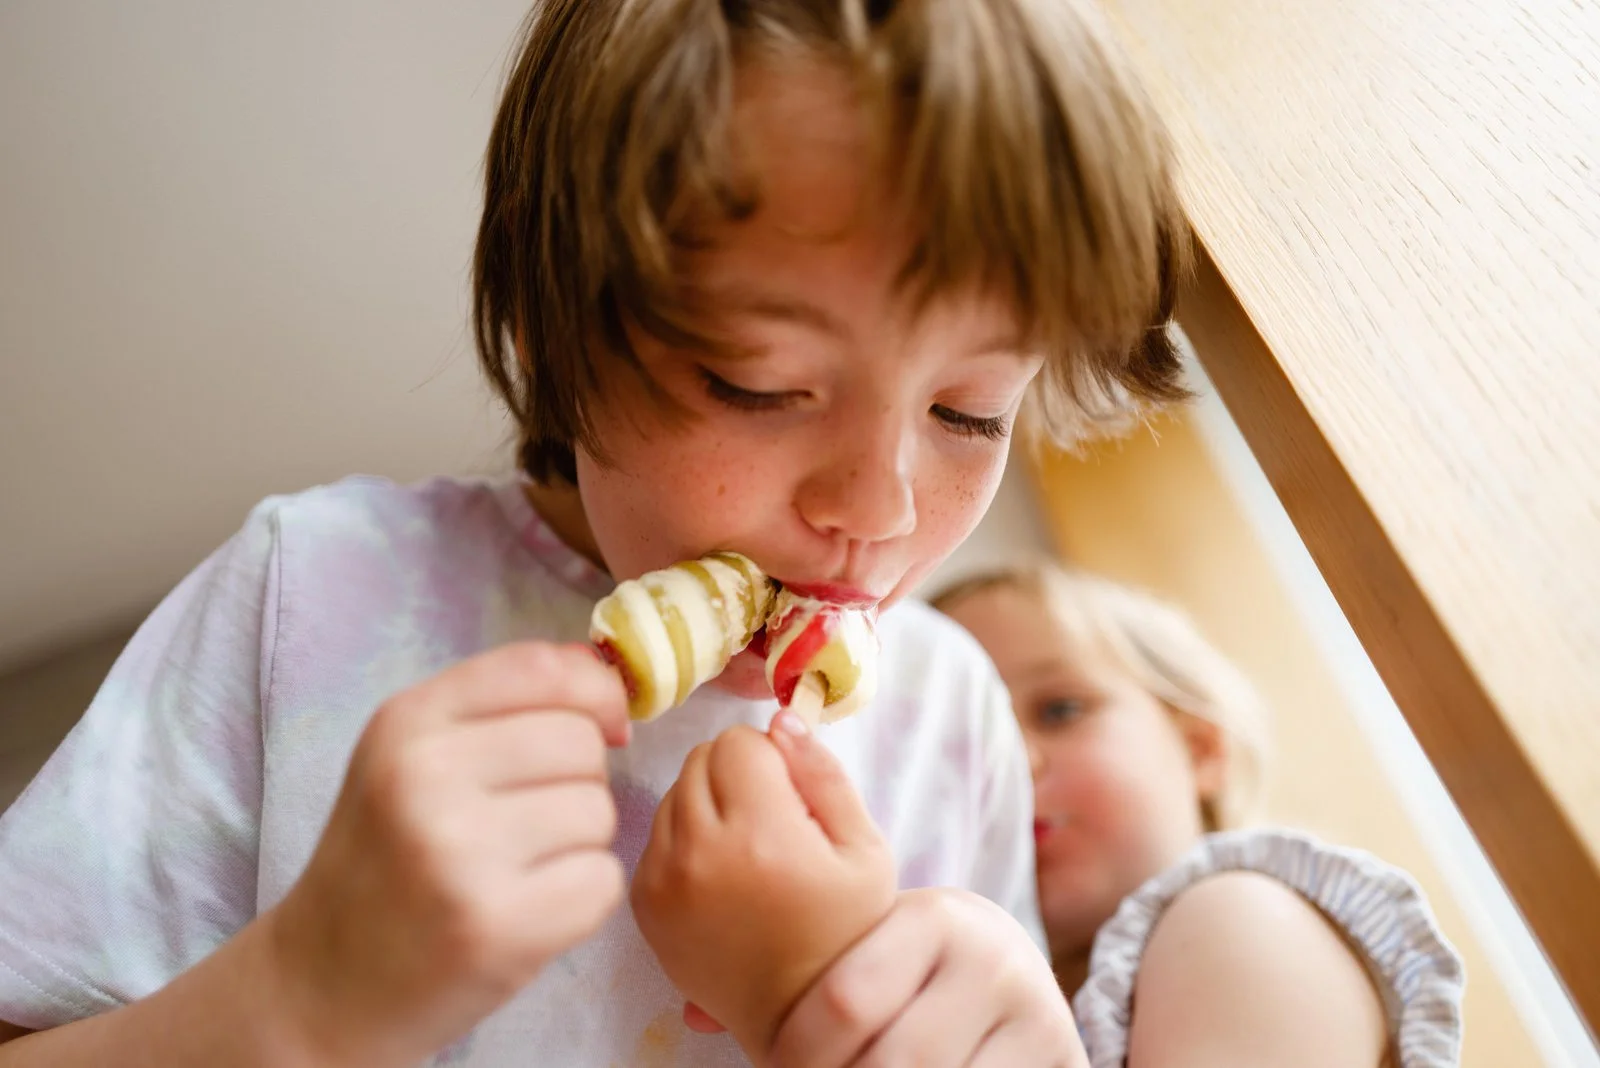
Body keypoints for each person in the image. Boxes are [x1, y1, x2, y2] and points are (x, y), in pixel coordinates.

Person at [0, 1, 1188, 1065]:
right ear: (555, 326)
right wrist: (294, 1000)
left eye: (968, 414)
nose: (877, 510)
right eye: (756, 384)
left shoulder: (953, 718)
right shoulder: (309, 591)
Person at [933, 563, 1466, 1067]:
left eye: (1059, 710)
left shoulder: (1237, 915)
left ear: (1199, 750)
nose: (1007, 761)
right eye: (958, 740)